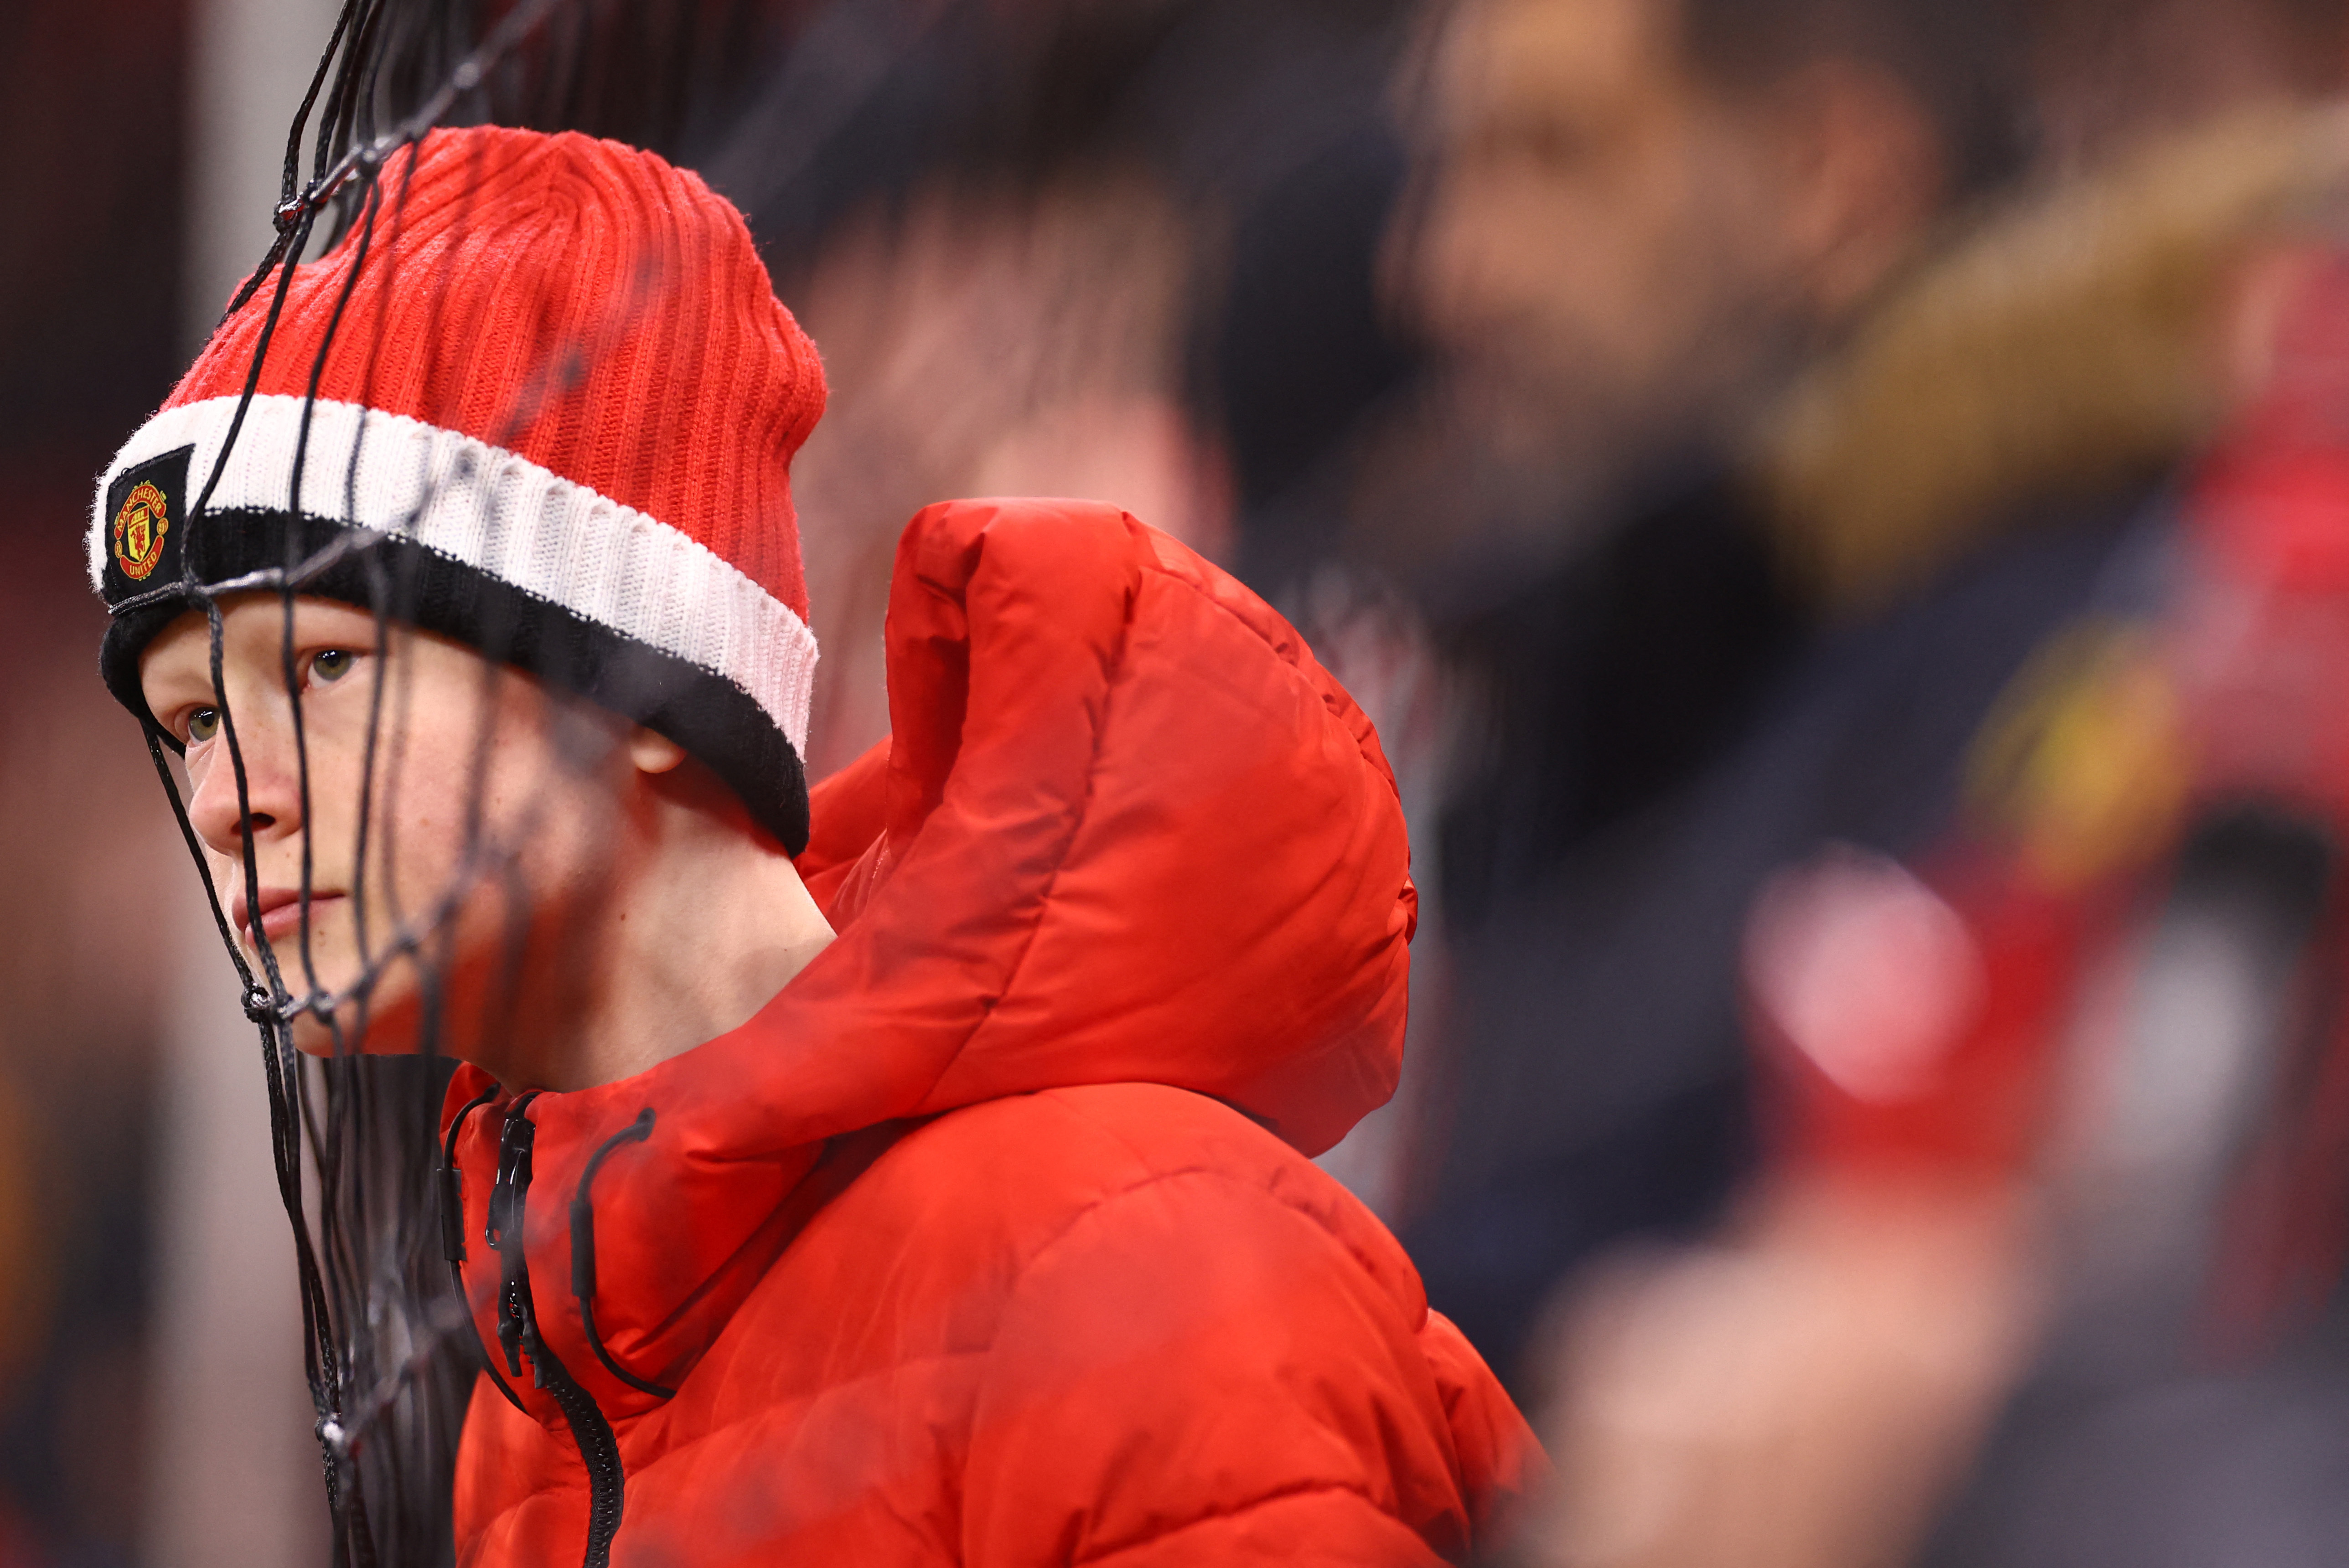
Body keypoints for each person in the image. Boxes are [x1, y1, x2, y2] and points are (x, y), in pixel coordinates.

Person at [96, 124, 1537, 1565]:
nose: (234, 798)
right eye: (190, 726)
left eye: (324, 670)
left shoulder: (1133, 1266)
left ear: (637, 689)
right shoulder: (529, 1426)